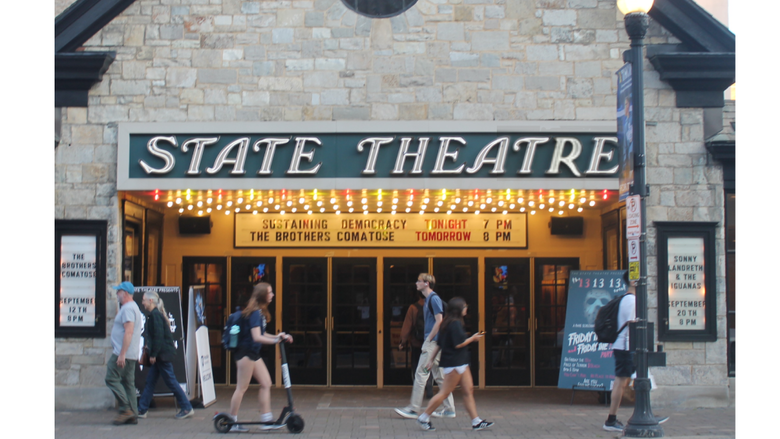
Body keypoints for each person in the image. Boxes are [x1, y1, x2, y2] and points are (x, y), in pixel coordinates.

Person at [416, 297, 493, 431]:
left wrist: (431, 360)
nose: (466, 309)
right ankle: (423, 417)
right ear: (459, 309)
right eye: (464, 307)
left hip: (460, 363)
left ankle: (476, 421)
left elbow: (439, 344)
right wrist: (473, 338)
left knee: (468, 390)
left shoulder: (446, 323)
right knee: (445, 393)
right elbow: (458, 344)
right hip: (455, 363)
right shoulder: (455, 324)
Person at [603, 273, 668, 431]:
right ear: (632, 281)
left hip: (624, 346)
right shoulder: (631, 301)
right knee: (622, 381)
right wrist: (632, 350)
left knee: (630, 379)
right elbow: (632, 327)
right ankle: (612, 420)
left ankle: (644, 413)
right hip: (626, 347)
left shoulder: (625, 299)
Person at [228, 282, 294, 432]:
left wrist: (278, 336)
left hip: (253, 353)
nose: (272, 295)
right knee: (241, 388)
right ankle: (232, 421)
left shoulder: (260, 312)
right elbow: (257, 337)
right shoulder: (255, 313)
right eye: (270, 292)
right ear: (263, 295)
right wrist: (276, 341)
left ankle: (266, 420)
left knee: (266, 382)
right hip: (246, 353)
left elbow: (263, 334)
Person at [394, 273, 456, 420]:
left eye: (419, 281)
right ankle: (449, 409)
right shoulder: (431, 299)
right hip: (436, 342)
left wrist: (428, 338)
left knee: (421, 374)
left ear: (426, 283)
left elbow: (439, 320)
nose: (416, 283)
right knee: (440, 376)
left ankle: (414, 408)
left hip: (432, 342)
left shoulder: (433, 299)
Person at [137, 291, 194, 419]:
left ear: (151, 301)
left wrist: (153, 354)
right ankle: (142, 409)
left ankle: (186, 407)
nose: (143, 302)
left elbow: (158, 337)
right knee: (151, 381)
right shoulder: (154, 315)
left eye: (144, 300)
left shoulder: (155, 316)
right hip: (161, 354)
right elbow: (157, 336)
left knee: (171, 381)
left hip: (162, 355)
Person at [104, 281, 143, 425]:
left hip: (123, 353)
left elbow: (129, 331)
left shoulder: (127, 309)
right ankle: (133, 414)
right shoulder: (133, 308)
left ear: (125, 293)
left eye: (118, 291)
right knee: (128, 383)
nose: (117, 294)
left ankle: (126, 409)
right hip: (130, 353)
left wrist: (122, 354)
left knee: (111, 378)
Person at [399, 293, 433, 398]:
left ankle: (418, 391)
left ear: (418, 296)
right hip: (430, 342)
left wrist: (402, 341)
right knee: (429, 366)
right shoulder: (433, 307)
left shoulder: (413, 308)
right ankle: (429, 388)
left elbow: (407, 325)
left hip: (417, 343)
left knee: (417, 366)